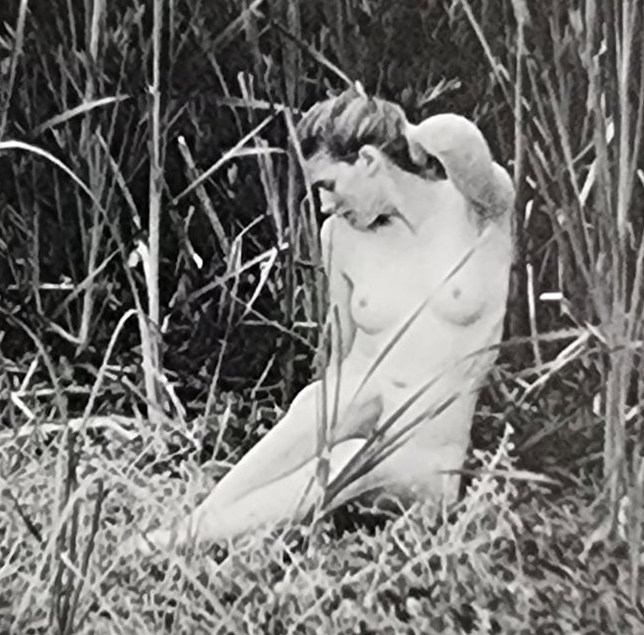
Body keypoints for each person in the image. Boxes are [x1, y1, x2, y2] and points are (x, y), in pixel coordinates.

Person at [147, 89, 515, 546]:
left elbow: (462, 142)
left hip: (425, 464)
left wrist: (411, 137)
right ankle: (198, 524)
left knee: (351, 454)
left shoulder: (478, 212)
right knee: (324, 403)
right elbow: (342, 361)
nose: (324, 205)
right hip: (358, 425)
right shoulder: (340, 237)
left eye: (328, 186)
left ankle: (173, 543)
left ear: (368, 160)